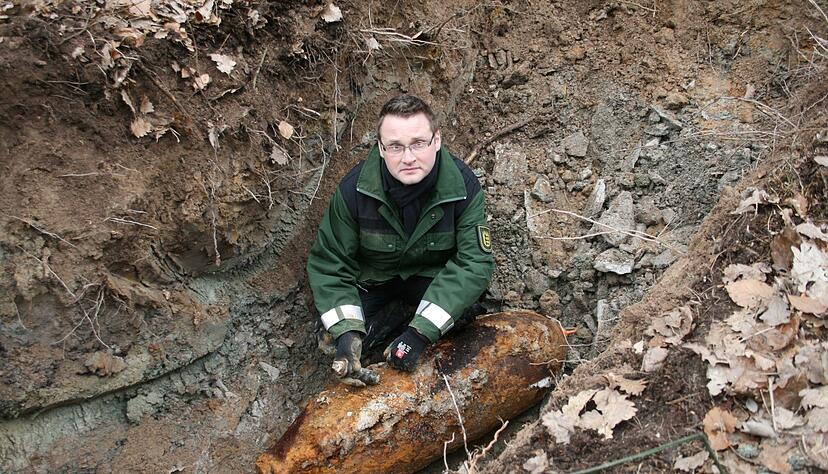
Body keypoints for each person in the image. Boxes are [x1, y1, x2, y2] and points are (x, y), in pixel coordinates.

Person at [306, 95, 494, 386]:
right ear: (381, 148)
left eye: (418, 143)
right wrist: (346, 333)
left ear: (437, 140)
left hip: (430, 280)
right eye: (395, 146)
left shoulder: (464, 187)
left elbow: (473, 263)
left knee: (465, 311)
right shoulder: (354, 191)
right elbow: (330, 264)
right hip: (375, 281)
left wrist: (419, 334)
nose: (408, 158)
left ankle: (412, 323)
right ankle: (384, 326)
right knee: (332, 338)